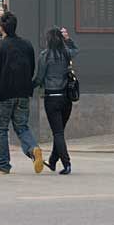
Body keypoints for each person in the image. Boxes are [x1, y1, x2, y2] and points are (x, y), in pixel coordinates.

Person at [0, 11, 44, 175]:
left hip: (4, 94)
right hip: (23, 93)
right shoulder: (27, 45)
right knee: (22, 127)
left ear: (2, 27)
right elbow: (31, 68)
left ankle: (3, 165)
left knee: (2, 129)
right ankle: (33, 149)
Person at [33, 25, 79, 175]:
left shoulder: (44, 56)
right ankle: (53, 161)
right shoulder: (65, 53)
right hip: (66, 98)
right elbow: (75, 50)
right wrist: (68, 39)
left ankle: (67, 163)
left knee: (57, 133)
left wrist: (29, 87)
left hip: (51, 98)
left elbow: (39, 78)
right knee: (59, 131)